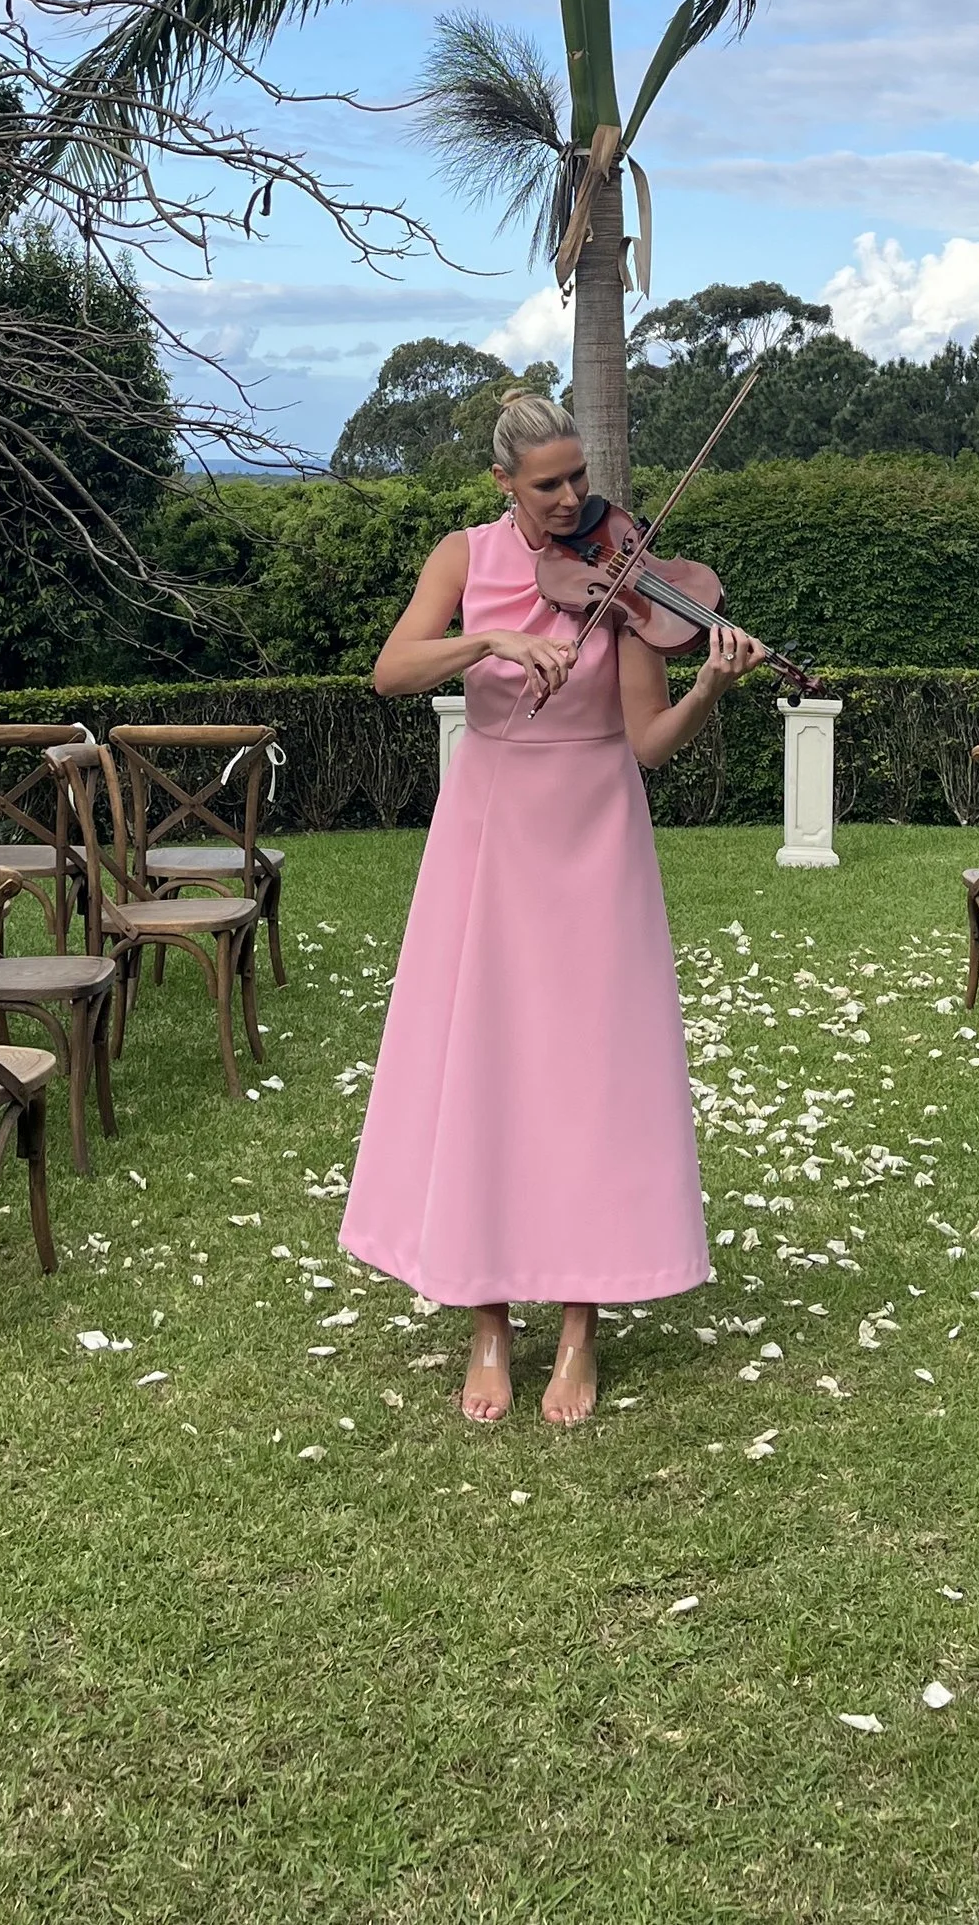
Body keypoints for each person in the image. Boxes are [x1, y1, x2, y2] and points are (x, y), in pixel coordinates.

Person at [339, 391, 753, 1426]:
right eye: (548, 484)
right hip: (488, 830)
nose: (574, 499)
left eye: (579, 477)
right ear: (502, 486)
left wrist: (707, 690)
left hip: (595, 834)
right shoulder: (462, 556)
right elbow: (390, 671)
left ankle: (578, 1328)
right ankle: (485, 1321)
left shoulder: (626, 569)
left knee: (588, 1078)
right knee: (481, 1065)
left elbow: (648, 742)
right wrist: (489, 643)